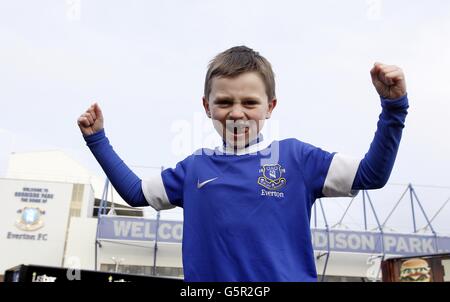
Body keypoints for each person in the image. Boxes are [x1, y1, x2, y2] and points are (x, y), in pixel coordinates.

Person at [77, 46, 408, 282]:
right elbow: (136, 193)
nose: (237, 113)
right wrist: (97, 139)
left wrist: (393, 109)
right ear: (207, 106)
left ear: (270, 106)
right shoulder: (194, 168)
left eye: (250, 102)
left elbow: (371, 174)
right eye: (224, 102)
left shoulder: (297, 158)